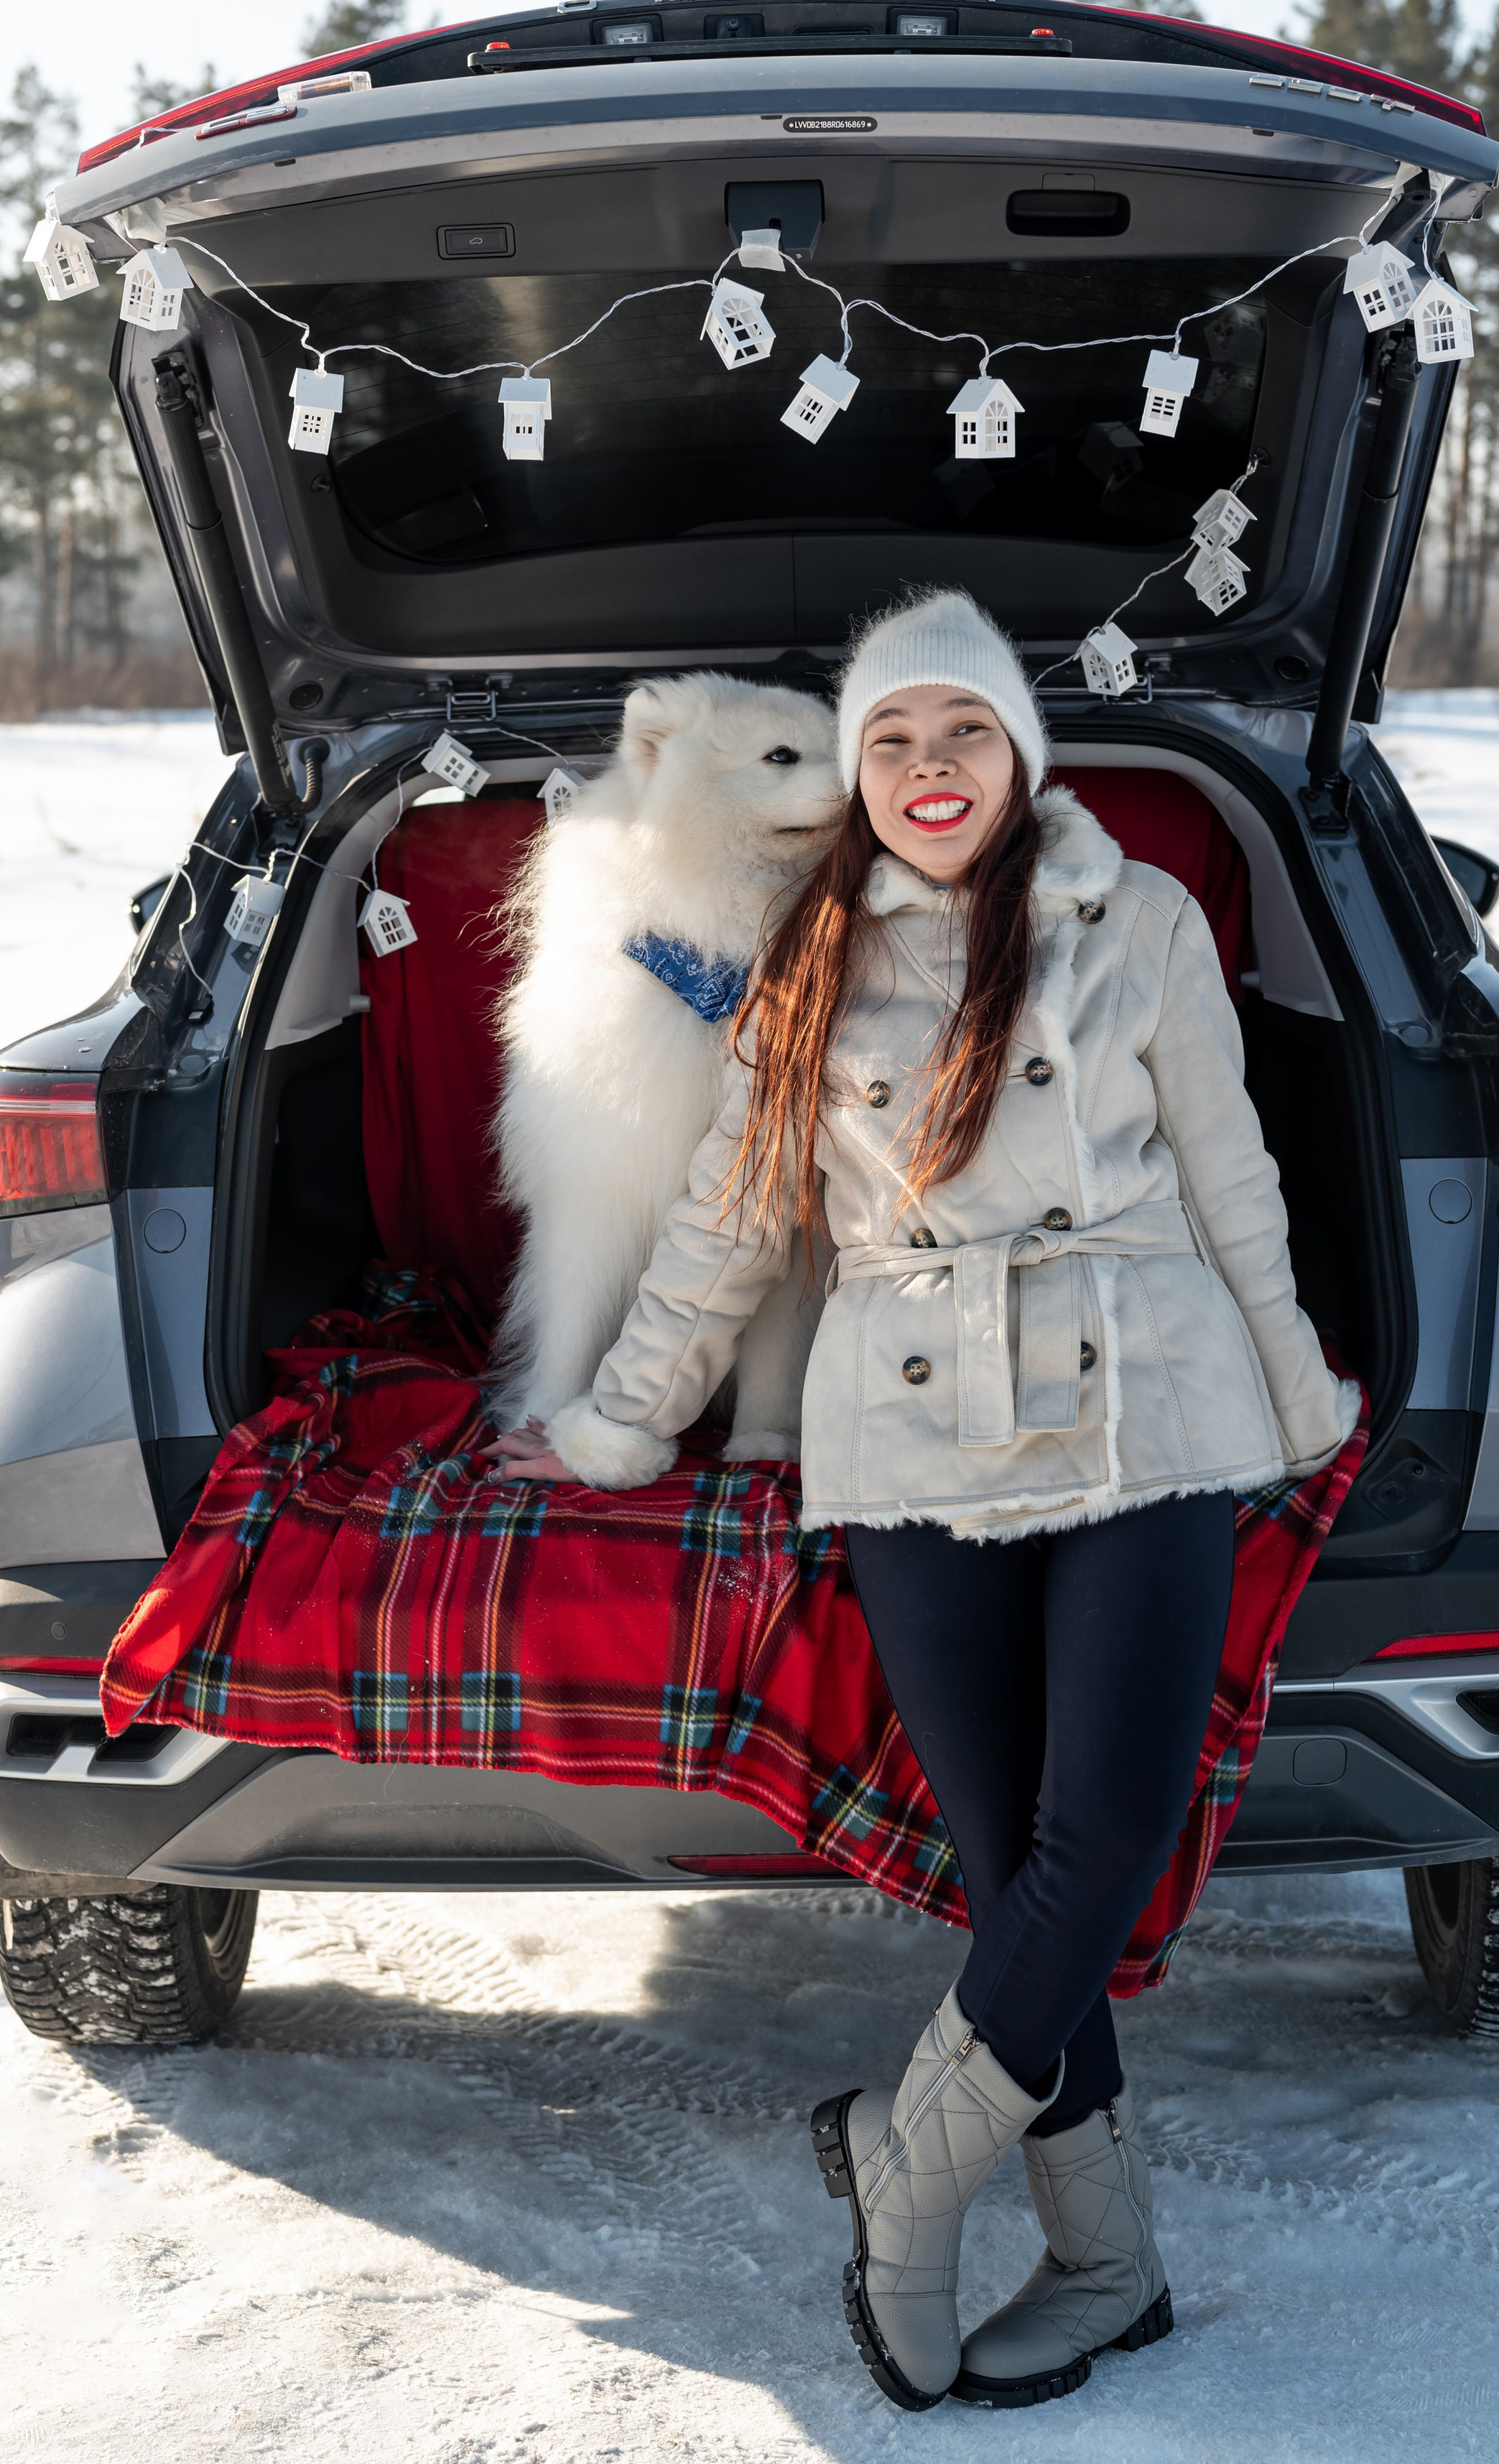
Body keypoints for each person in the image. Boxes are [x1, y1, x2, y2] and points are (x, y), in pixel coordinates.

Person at [493, 592, 1357, 2413]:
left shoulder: (1146, 919)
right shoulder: (809, 958)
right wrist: (619, 1420)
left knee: (1099, 1839)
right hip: (907, 1433)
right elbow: (729, 1217)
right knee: (1006, 1865)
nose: (923, 769)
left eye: (957, 732)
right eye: (887, 742)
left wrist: (1291, 1387)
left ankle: (907, 2168)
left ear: (1020, 751)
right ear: (859, 777)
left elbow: (1232, 1175)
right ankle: (1107, 2263)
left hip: (1148, 1402)